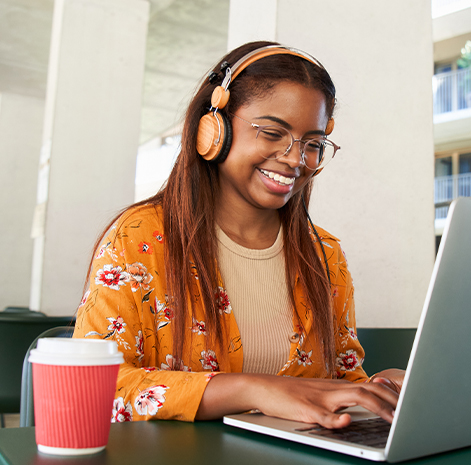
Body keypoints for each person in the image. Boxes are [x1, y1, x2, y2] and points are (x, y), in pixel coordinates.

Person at [73, 41, 403, 428]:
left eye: (313, 144)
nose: (296, 159)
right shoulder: (139, 237)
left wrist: (378, 389)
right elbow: (93, 385)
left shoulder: (324, 254)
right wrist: (252, 390)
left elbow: (336, 384)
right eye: (272, 132)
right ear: (214, 128)